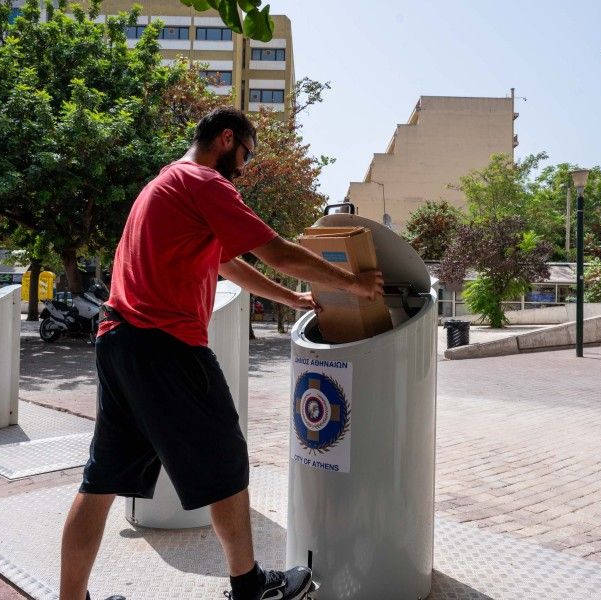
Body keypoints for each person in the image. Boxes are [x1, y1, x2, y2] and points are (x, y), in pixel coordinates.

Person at [59, 106, 383, 600]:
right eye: (246, 154)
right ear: (226, 138)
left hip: (118, 342)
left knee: (101, 479)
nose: (245, 167)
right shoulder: (204, 182)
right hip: (165, 345)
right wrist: (353, 284)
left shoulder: (163, 184)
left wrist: (290, 297)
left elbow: (228, 263)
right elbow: (275, 249)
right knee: (227, 462)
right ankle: (249, 587)